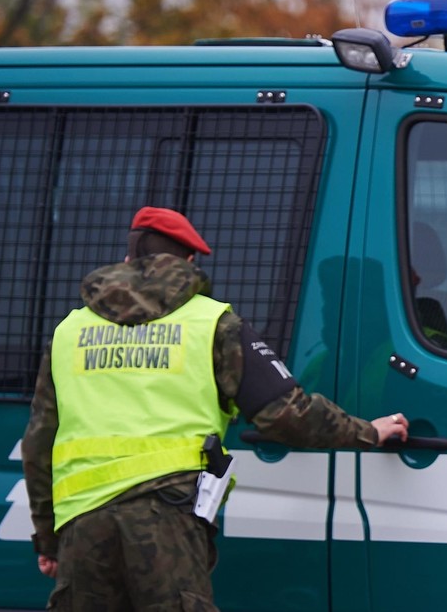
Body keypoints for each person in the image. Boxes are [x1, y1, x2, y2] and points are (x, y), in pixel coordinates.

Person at [22, 206, 410, 611]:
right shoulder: (213, 323)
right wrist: (368, 431)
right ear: (189, 261)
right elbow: (285, 414)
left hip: (83, 526)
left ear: (127, 261)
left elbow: (37, 444)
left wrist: (48, 538)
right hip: (166, 518)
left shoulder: (70, 331)